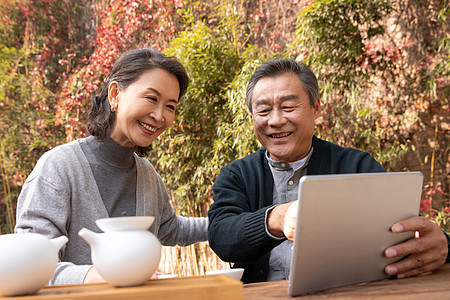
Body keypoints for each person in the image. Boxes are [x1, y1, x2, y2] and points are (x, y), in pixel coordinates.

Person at [208, 57, 450, 284]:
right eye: (263, 110)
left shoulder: (356, 166)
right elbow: (222, 237)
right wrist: (277, 219)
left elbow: (408, 234)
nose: (276, 120)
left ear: (315, 108)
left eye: (288, 106)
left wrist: (443, 246)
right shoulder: (236, 175)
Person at [15, 48, 208, 285]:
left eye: (170, 106)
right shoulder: (58, 168)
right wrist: (99, 276)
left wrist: (244, 220)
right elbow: (31, 264)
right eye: (151, 98)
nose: (160, 115)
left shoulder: (147, 174)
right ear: (115, 94)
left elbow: (171, 229)